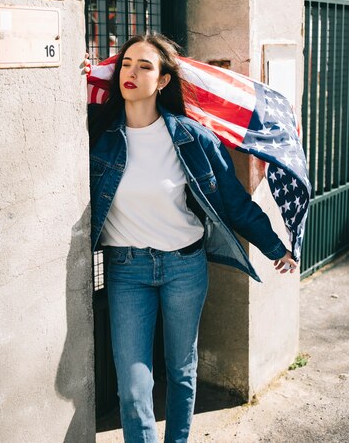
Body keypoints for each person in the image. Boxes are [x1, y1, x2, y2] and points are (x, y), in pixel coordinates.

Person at [85, 33, 297, 443]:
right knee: (133, 387)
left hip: (185, 266)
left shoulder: (191, 137)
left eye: (145, 66)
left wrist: (275, 246)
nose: (131, 73)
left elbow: (234, 202)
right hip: (126, 270)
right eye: (126, 64)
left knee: (181, 371)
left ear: (163, 80)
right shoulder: (100, 134)